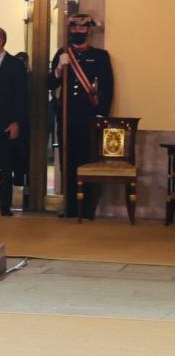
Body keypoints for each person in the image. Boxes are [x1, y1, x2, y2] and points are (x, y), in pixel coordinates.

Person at [50, 13, 113, 217]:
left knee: (87, 161)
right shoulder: (63, 53)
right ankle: (69, 205)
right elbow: (50, 85)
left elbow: (107, 89)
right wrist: (59, 68)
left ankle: (86, 207)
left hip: (88, 117)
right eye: (74, 28)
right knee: (67, 159)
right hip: (67, 116)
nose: (78, 31)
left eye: (82, 28)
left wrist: (101, 116)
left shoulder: (100, 56)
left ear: (88, 30)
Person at [0, 26, 28, 216]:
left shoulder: (15, 65)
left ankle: (5, 206)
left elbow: (21, 96)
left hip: (5, 123)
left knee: (6, 167)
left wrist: (16, 122)